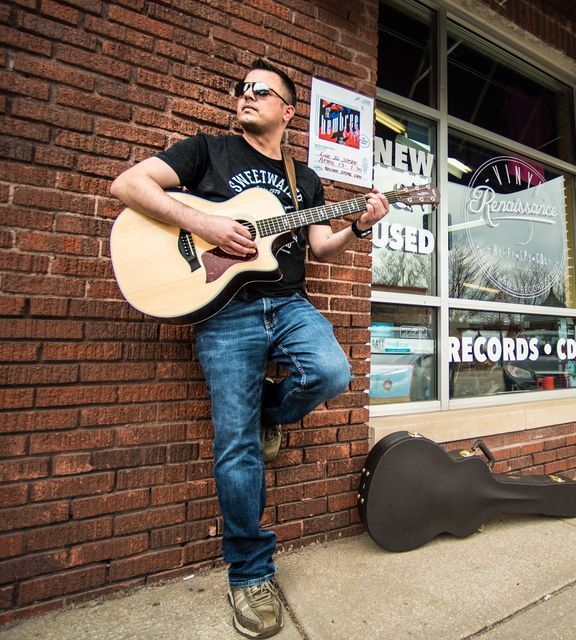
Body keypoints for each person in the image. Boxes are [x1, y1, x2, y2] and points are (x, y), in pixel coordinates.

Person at [110, 59, 389, 639]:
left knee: (331, 372)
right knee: (236, 446)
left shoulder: (303, 179)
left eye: (262, 90)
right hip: (224, 311)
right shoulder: (207, 151)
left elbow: (320, 248)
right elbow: (128, 185)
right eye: (243, 89)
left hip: (288, 303)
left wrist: (359, 226)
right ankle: (250, 574)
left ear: (288, 110)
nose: (247, 95)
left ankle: (268, 411)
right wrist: (204, 225)